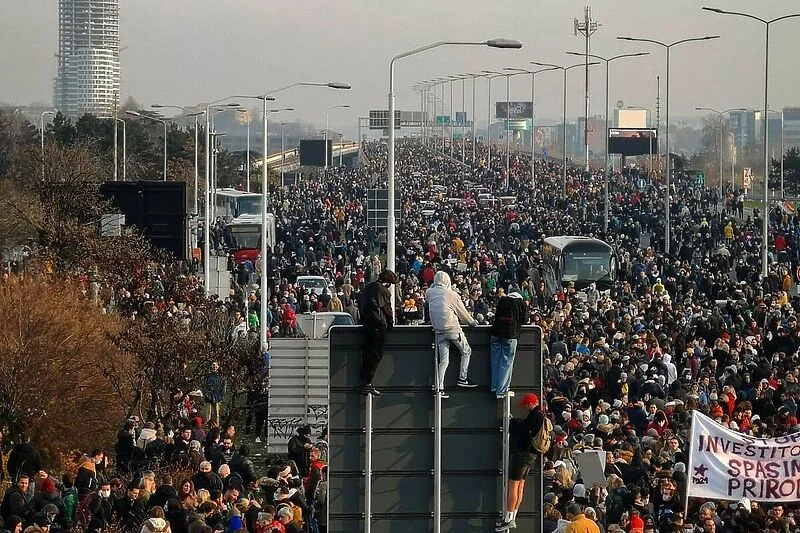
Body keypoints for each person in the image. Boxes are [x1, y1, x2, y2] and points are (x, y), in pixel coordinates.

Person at [497, 393, 545, 531]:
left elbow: (524, 428)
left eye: (525, 405)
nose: (525, 408)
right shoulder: (541, 414)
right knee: (521, 486)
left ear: (530, 403)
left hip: (523, 454)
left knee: (513, 484)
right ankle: (513, 516)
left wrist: (512, 421)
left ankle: (508, 518)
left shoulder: (535, 414)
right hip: (532, 455)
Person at [427, 271, 478, 397]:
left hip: (438, 331)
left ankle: (439, 388)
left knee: (443, 361)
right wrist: (472, 323)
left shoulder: (429, 293)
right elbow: (463, 314)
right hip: (452, 329)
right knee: (466, 351)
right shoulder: (452, 295)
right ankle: (463, 378)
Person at [358, 269, 398, 396]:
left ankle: (365, 382)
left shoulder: (367, 288)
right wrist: (390, 322)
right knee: (376, 354)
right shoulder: (383, 291)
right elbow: (387, 308)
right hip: (378, 324)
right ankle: (368, 382)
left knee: (367, 353)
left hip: (366, 323)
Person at [490, 288, 528, 398]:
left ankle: (493, 386)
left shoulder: (502, 300)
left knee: (495, 360)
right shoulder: (521, 303)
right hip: (510, 334)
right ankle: (501, 390)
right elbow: (524, 320)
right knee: (506, 362)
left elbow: (496, 316)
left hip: (495, 333)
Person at [202, 362, 225, 426]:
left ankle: (216, 425)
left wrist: (220, 396)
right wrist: (206, 394)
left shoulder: (221, 376)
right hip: (208, 396)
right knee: (207, 413)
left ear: (218, 367)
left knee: (216, 413)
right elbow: (204, 385)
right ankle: (207, 425)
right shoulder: (207, 376)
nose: (214, 367)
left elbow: (223, 387)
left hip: (217, 396)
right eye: (213, 365)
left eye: (215, 365)